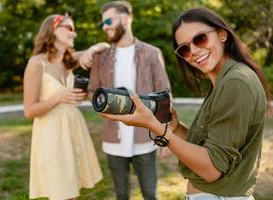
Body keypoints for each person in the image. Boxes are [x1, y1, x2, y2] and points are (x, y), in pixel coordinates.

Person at [101, 6, 271, 200]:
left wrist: (156, 128)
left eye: (200, 39)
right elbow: (210, 148)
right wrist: (176, 128)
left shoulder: (235, 82)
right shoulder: (224, 80)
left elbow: (212, 169)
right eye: (185, 48)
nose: (194, 51)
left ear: (222, 34)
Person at [85, 1, 170, 199]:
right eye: (102, 23)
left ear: (126, 19)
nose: (104, 27)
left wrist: (164, 134)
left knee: (150, 193)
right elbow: (92, 92)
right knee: (121, 195)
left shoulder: (152, 53)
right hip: (113, 139)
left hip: (145, 140)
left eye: (108, 21)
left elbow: (164, 95)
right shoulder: (100, 57)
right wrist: (102, 103)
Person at [23, 14, 109, 200]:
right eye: (69, 28)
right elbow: (29, 111)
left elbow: (106, 47)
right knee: (61, 191)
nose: (74, 33)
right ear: (52, 30)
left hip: (73, 127)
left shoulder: (68, 60)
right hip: (51, 134)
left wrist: (92, 49)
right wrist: (58, 98)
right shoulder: (36, 64)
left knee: (71, 191)